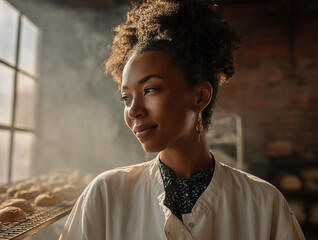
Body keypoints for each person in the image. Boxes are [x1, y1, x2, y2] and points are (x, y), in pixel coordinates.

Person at [60, 0, 305, 239]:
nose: (133, 110)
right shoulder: (105, 195)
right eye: (126, 97)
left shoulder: (264, 203)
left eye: (150, 90)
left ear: (200, 96)